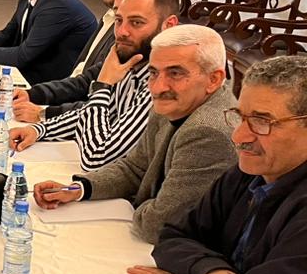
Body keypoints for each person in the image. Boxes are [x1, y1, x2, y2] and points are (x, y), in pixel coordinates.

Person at [127, 56, 307, 274]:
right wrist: (212, 270)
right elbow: (173, 236)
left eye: (262, 121)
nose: (239, 136)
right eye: (241, 117)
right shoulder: (250, 174)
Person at [31, 25, 235, 242]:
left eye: (175, 73)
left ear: (214, 79)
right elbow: (135, 168)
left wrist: (136, 203)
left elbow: (159, 225)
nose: (157, 87)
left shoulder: (208, 133)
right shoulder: (176, 102)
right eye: (153, 73)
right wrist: (78, 189)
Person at [9, 0, 180, 170]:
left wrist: (102, 85)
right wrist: (40, 129)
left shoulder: (163, 83)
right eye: (119, 20)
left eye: (136, 23)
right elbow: (100, 114)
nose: (122, 32)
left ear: (169, 25)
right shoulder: (135, 63)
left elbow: (97, 158)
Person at [13, 0, 151, 122]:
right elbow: (86, 80)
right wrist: (32, 94)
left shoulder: (135, 37)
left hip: (85, 120)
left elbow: (110, 106)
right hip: (71, 107)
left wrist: (44, 114)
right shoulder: (109, 17)